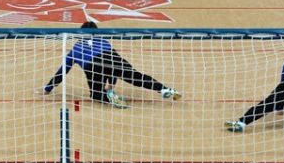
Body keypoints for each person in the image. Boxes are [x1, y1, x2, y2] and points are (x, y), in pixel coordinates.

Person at [42, 21, 181, 108]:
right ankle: (165, 90)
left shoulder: (77, 48)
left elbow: (62, 71)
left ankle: (111, 97)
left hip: (93, 66)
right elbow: (111, 64)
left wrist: (48, 88)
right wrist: (112, 84)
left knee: (96, 95)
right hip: (113, 58)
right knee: (138, 78)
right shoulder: (104, 41)